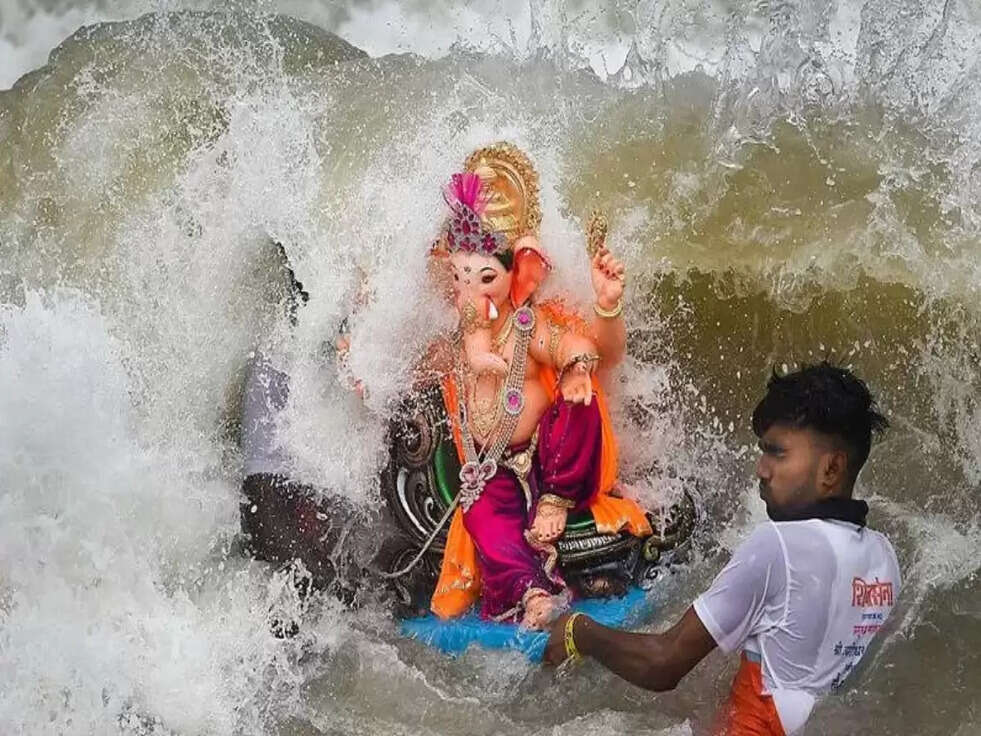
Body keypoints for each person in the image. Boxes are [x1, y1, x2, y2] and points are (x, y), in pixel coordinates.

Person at [544, 362, 901, 735]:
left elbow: (663, 663)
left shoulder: (778, 545)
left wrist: (579, 632)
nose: (762, 470)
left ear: (831, 469)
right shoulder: (883, 558)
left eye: (777, 453)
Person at [424, 142, 653, 629]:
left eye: (486, 277)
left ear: (519, 275)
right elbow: (417, 368)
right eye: (462, 278)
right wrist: (365, 366)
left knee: (579, 402)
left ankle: (556, 501)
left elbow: (580, 346)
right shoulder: (457, 337)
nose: (472, 292)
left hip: (548, 460)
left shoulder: (529, 326)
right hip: (493, 471)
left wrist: (577, 366)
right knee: (480, 514)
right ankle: (533, 593)